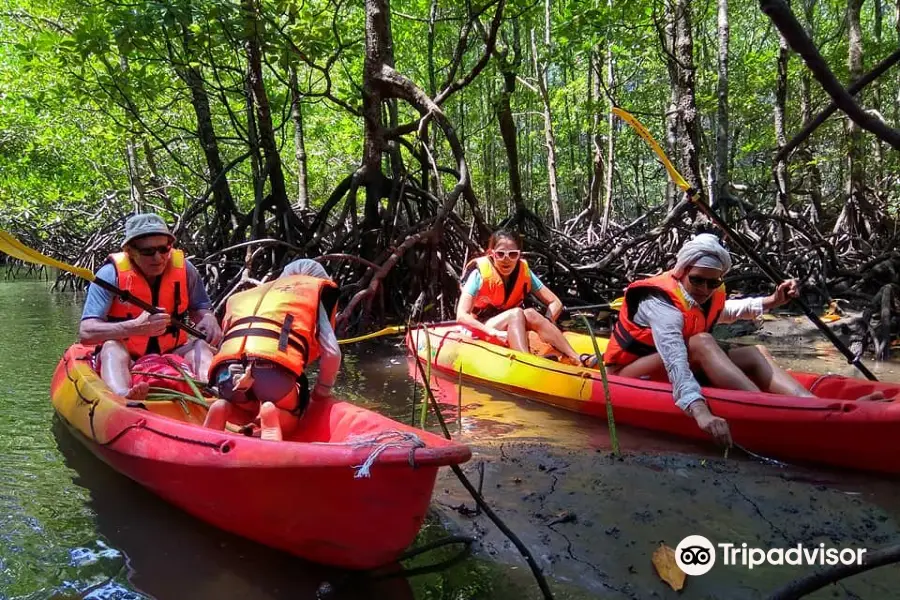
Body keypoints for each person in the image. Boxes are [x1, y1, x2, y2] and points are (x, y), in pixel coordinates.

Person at [602, 233, 885, 447]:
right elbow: (676, 360)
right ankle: (770, 410)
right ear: (683, 272)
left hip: (665, 362)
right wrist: (699, 411)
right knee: (701, 342)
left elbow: (725, 312)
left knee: (753, 352)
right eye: (698, 280)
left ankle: (813, 406)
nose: (705, 289)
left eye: (713, 283)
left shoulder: (705, 293)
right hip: (627, 373)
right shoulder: (660, 302)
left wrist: (773, 301)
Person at [79, 214, 222, 400]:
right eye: (148, 252)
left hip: (173, 351)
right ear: (130, 251)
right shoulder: (109, 275)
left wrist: (209, 318)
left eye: (164, 249)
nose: (158, 257)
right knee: (112, 348)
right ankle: (124, 396)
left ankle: (209, 390)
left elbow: (200, 307)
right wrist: (135, 327)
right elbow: (86, 332)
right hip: (127, 354)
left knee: (201, 345)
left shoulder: (185, 270)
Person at [203, 259, 341, 441]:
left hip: (227, 375)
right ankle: (270, 414)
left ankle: (223, 408)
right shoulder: (310, 293)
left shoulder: (248, 296)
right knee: (291, 411)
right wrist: (321, 393)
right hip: (272, 376)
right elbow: (332, 353)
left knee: (239, 403)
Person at [456, 229, 596, 367]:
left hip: (510, 322)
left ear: (519, 255)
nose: (507, 259)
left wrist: (547, 322)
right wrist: (493, 333)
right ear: (492, 254)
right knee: (516, 313)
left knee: (530, 313)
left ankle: (575, 357)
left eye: (512, 254)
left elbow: (555, 302)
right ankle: (527, 362)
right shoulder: (478, 275)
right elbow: (461, 316)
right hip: (483, 326)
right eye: (500, 254)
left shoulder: (524, 272)